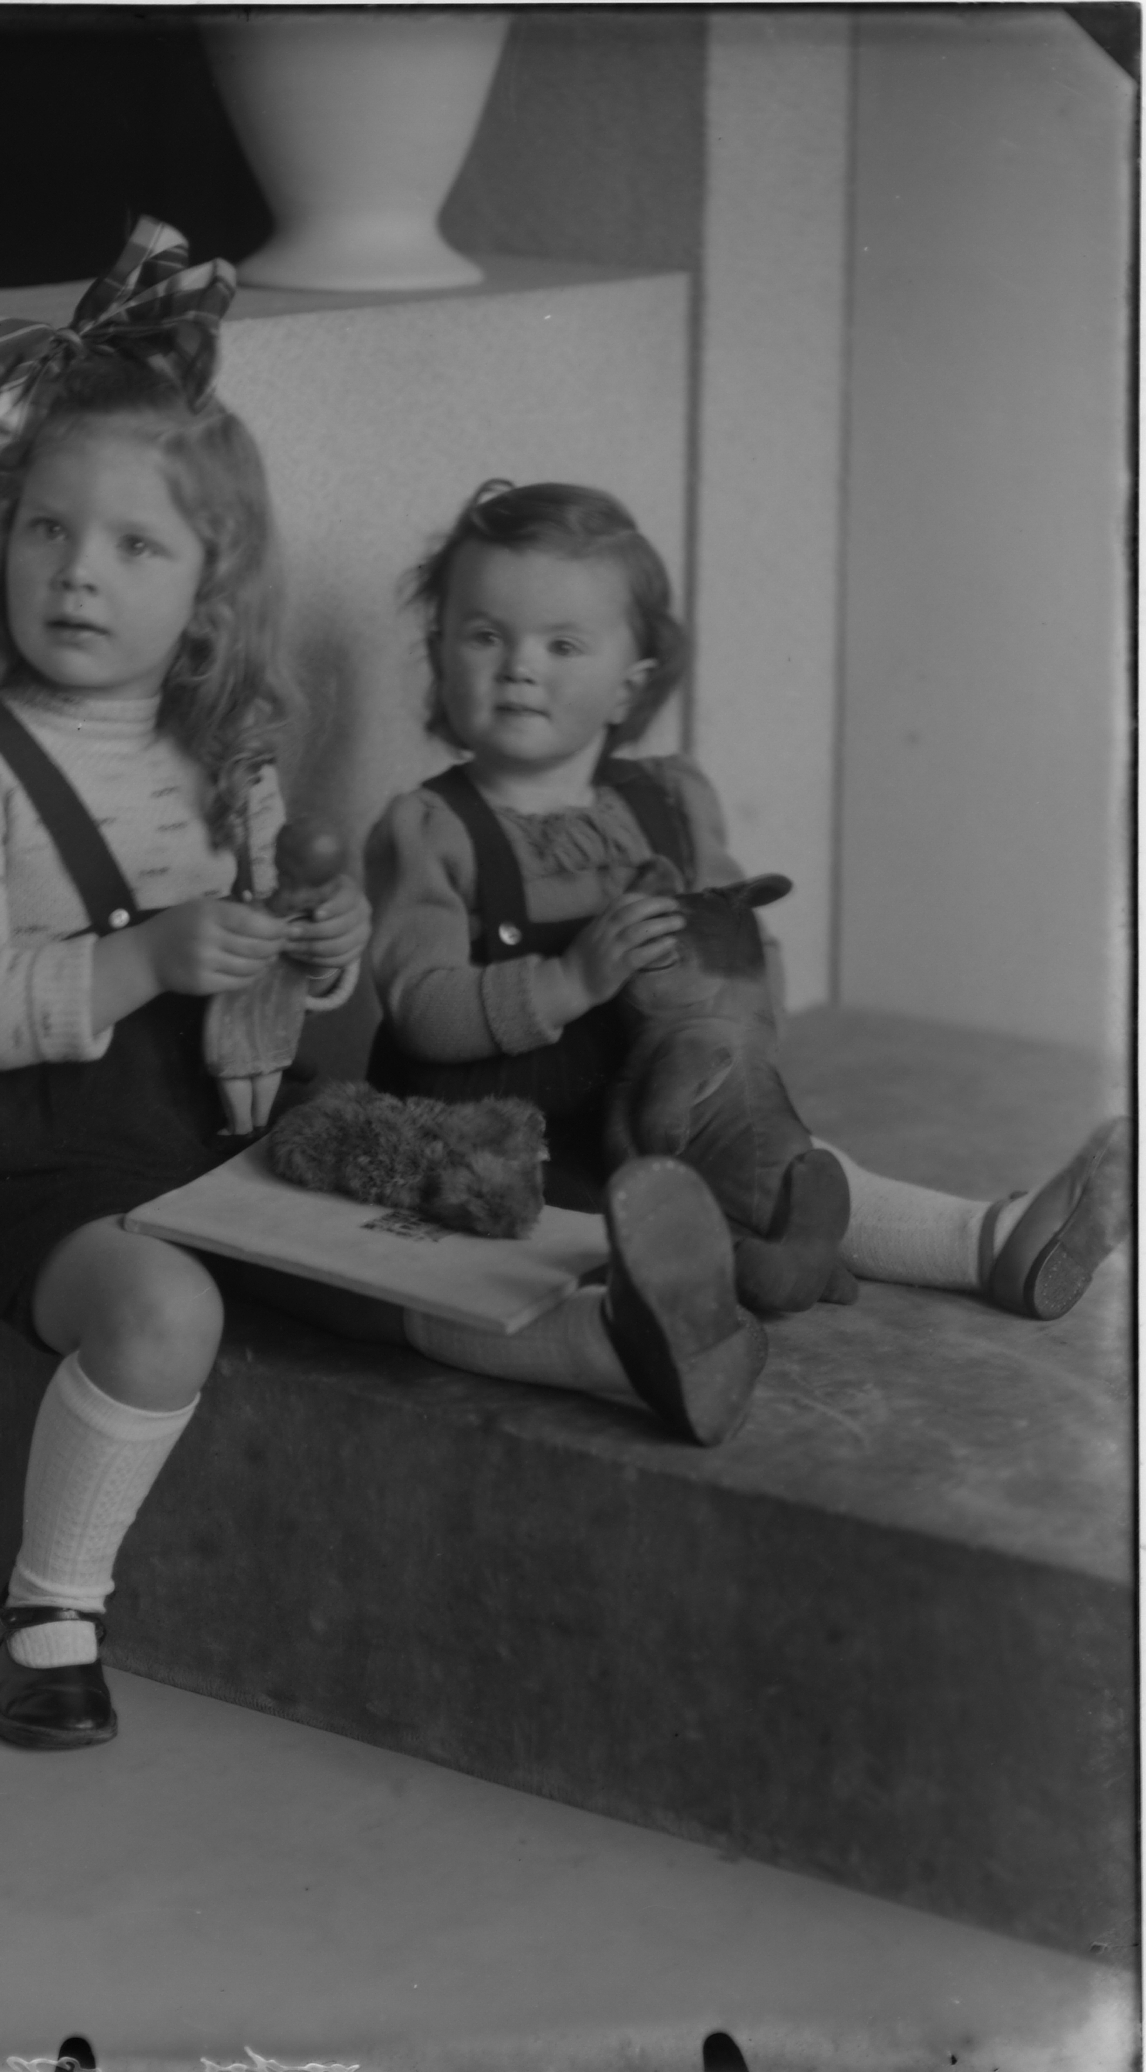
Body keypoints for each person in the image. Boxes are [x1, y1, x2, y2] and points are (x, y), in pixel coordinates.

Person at [0, 222, 371, 1751]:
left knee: (431, 1229)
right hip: (36, 1172)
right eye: (48, 530)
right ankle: (50, 1611)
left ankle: (649, 1335)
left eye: (134, 547)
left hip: (208, 1139)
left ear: (210, 588)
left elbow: (262, 1003)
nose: (79, 573)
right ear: (0, 541)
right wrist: (146, 956)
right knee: (164, 1311)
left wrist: (315, 946)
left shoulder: (220, 758)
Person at [364, 479, 1130, 1433]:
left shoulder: (669, 804)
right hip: (504, 1146)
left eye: (561, 645)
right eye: (484, 635)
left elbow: (747, 953)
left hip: (659, 1108)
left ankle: (989, 1240)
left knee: (802, 1170)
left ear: (631, 682)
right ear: (439, 651)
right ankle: (651, 1338)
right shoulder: (432, 829)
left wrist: (729, 1050)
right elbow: (420, 1008)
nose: (518, 667)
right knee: (522, 1258)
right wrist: (568, 981)